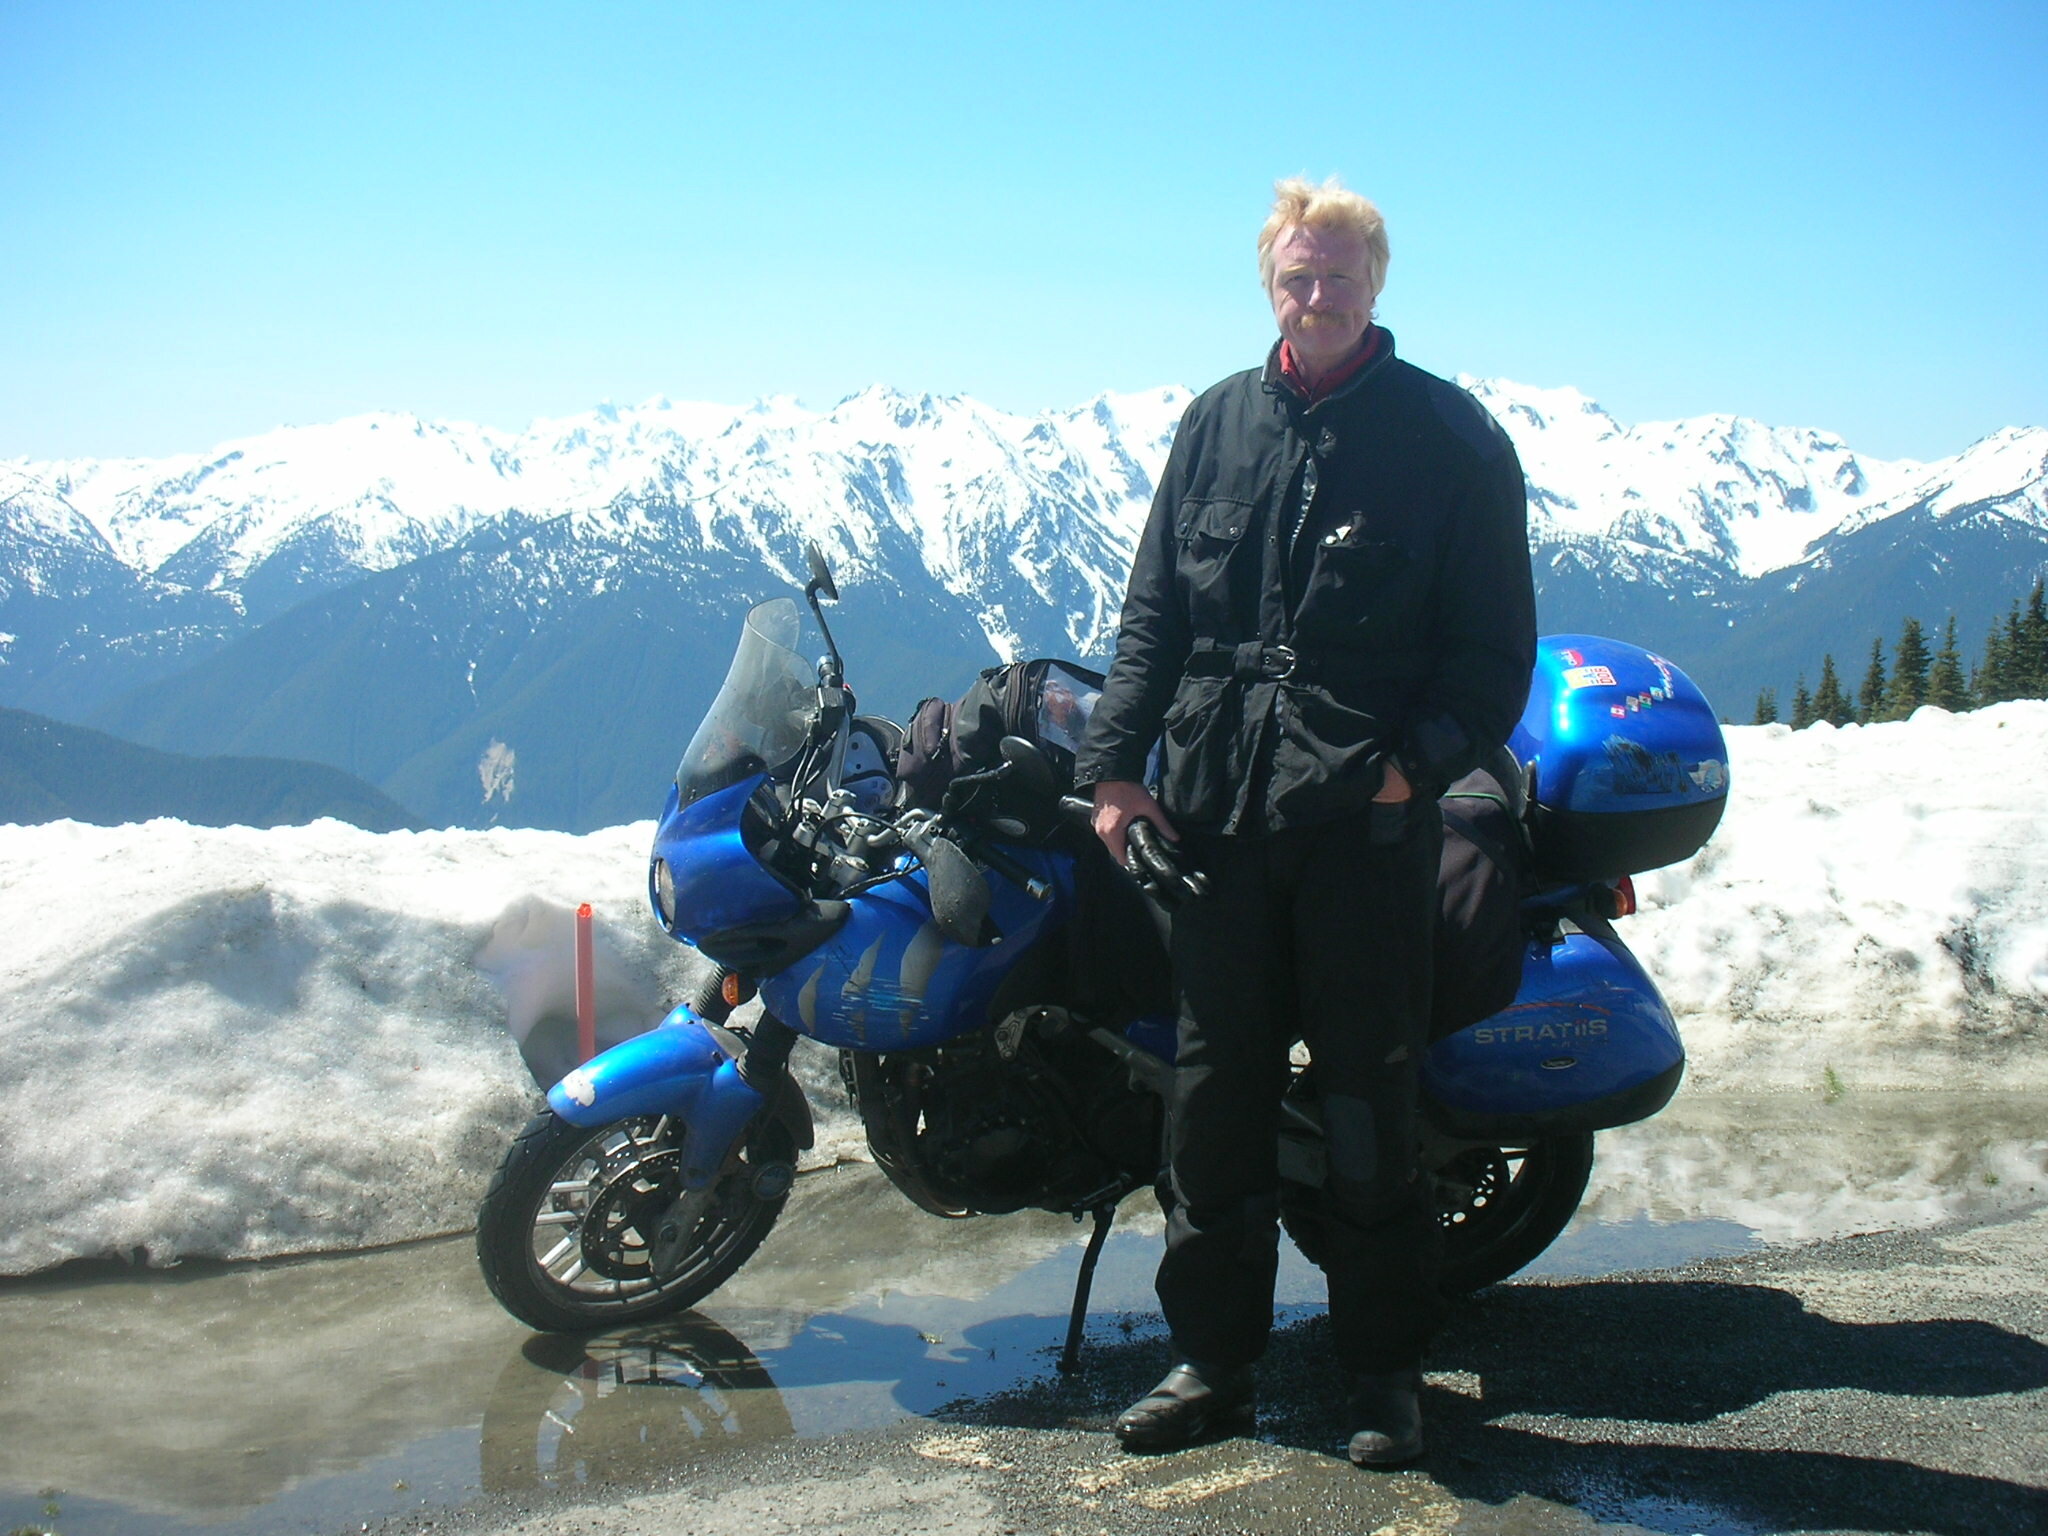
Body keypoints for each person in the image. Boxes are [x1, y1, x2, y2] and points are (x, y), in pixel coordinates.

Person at [1072, 176, 1535, 1466]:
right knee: (1211, 1112)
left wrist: (1410, 771)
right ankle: (1214, 1366)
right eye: (1296, 274)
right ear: (1268, 281)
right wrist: (1116, 772)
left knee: (1366, 1109)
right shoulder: (1215, 425)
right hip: (1217, 822)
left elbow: (1495, 657)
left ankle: (1385, 1374)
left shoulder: (1449, 439)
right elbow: (1154, 614)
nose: (1316, 294)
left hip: (1364, 834)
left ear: (1377, 283)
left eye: (1338, 273)